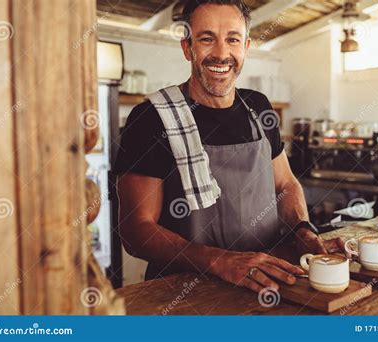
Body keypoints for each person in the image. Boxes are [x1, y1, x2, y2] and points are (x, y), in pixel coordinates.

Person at [113, 0, 345, 293]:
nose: (221, 54)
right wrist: (219, 261)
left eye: (232, 39)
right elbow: (136, 231)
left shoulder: (259, 107)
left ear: (246, 46)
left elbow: (285, 183)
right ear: (188, 47)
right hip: (183, 295)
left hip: (266, 284)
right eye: (207, 39)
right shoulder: (152, 118)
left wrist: (303, 229)